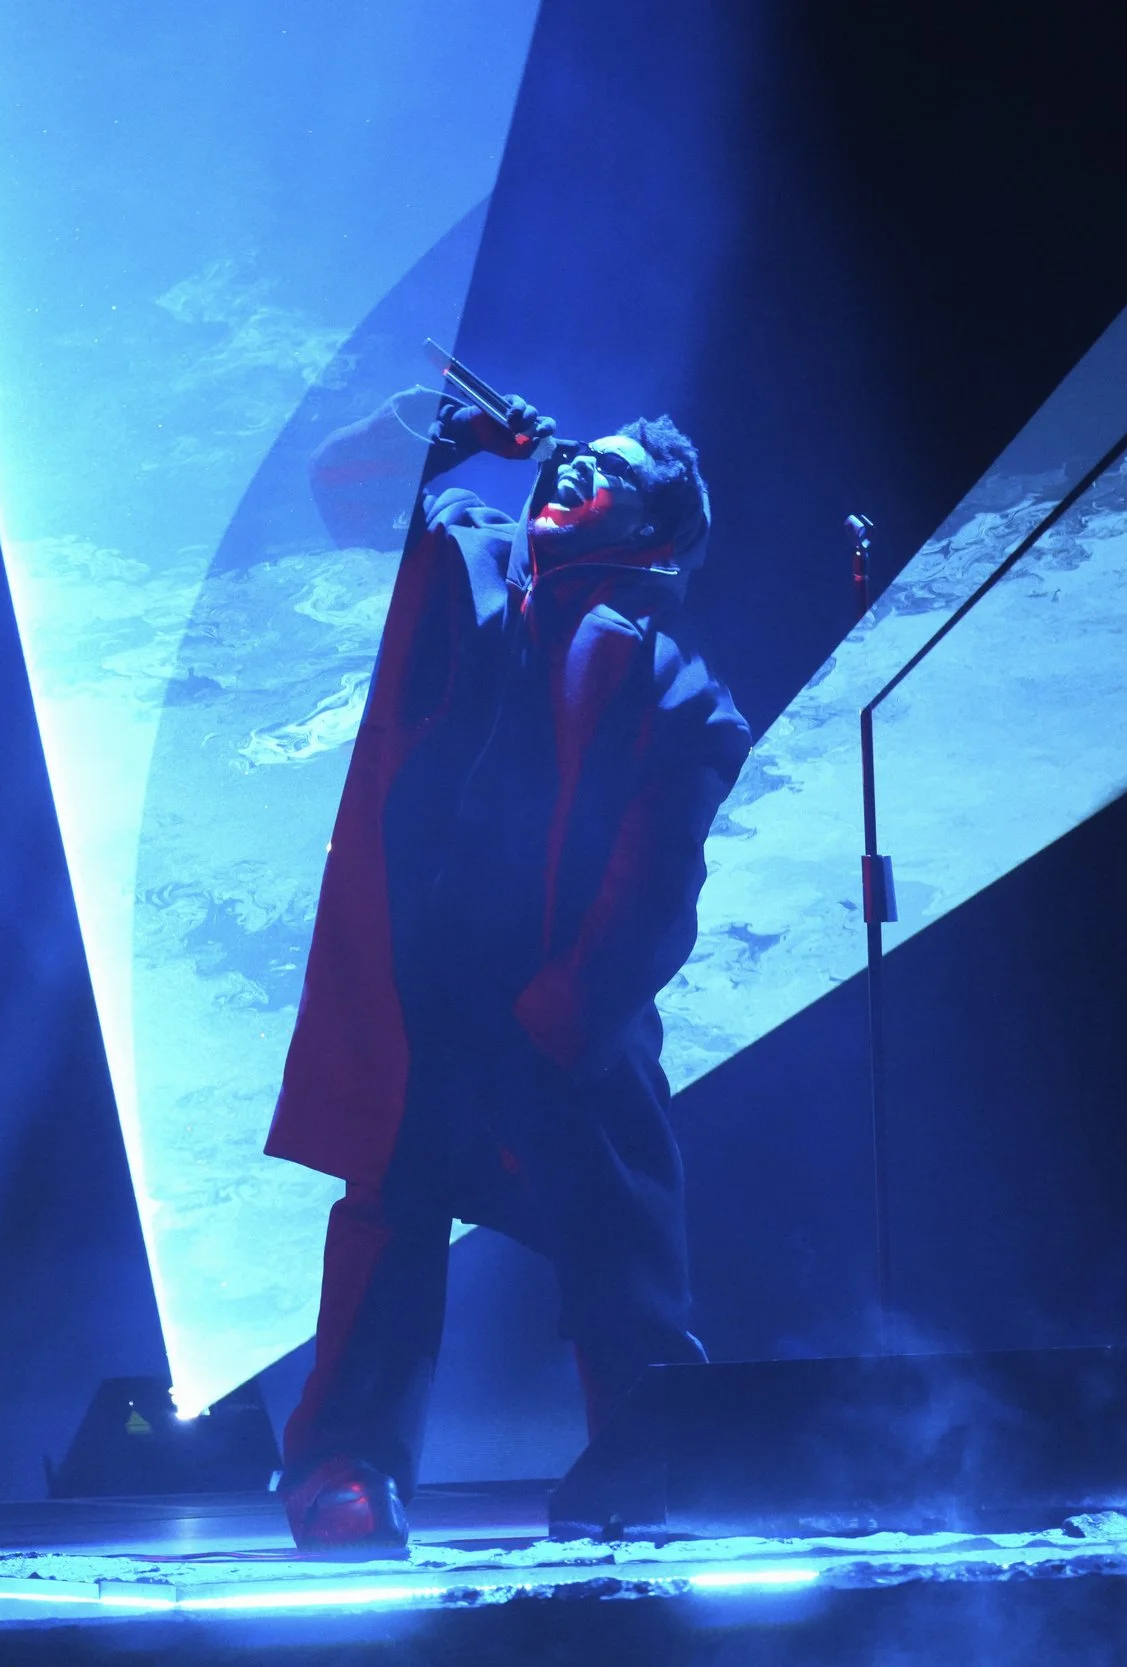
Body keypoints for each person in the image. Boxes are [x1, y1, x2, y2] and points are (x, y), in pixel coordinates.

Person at [265, 384, 750, 1556]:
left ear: (656, 530)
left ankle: (651, 1456)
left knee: (619, 1229)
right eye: (576, 455)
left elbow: (653, 889)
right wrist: (441, 428)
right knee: (388, 1211)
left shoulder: (681, 691)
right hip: (420, 978)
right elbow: (339, 493)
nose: (575, 467)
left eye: (614, 471)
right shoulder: (462, 556)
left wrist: (565, 1012)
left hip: (562, 999)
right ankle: (345, 1470)